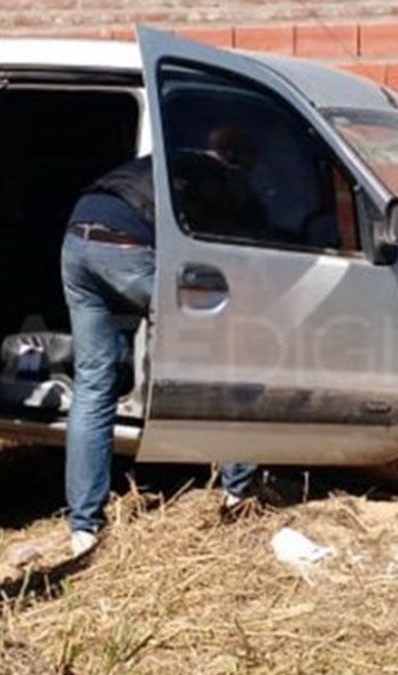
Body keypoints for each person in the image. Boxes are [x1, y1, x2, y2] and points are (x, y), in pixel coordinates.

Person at [61, 151, 261, 558]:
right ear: (240, 161)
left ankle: (83, 527)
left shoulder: (165, 155)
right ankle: (240, 491)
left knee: (93, 384)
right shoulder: (220, 178)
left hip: (77, 239)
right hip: (128, 246)